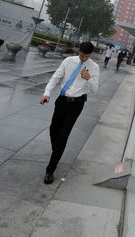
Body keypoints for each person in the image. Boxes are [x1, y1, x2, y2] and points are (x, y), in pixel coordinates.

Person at [39, 41, 99, 184]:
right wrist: (47, 93)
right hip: (62, 100)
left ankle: (50, 169)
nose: (83, 58)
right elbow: (56, 77)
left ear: (91, 55)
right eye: (81, 55)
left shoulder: (94, 67)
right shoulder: (68, 61)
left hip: (77, 104)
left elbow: (95, 89)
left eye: (86, 57)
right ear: (78, 51)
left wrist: (88, 78)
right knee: (53, 130)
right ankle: (57, 152)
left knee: (63, 134)